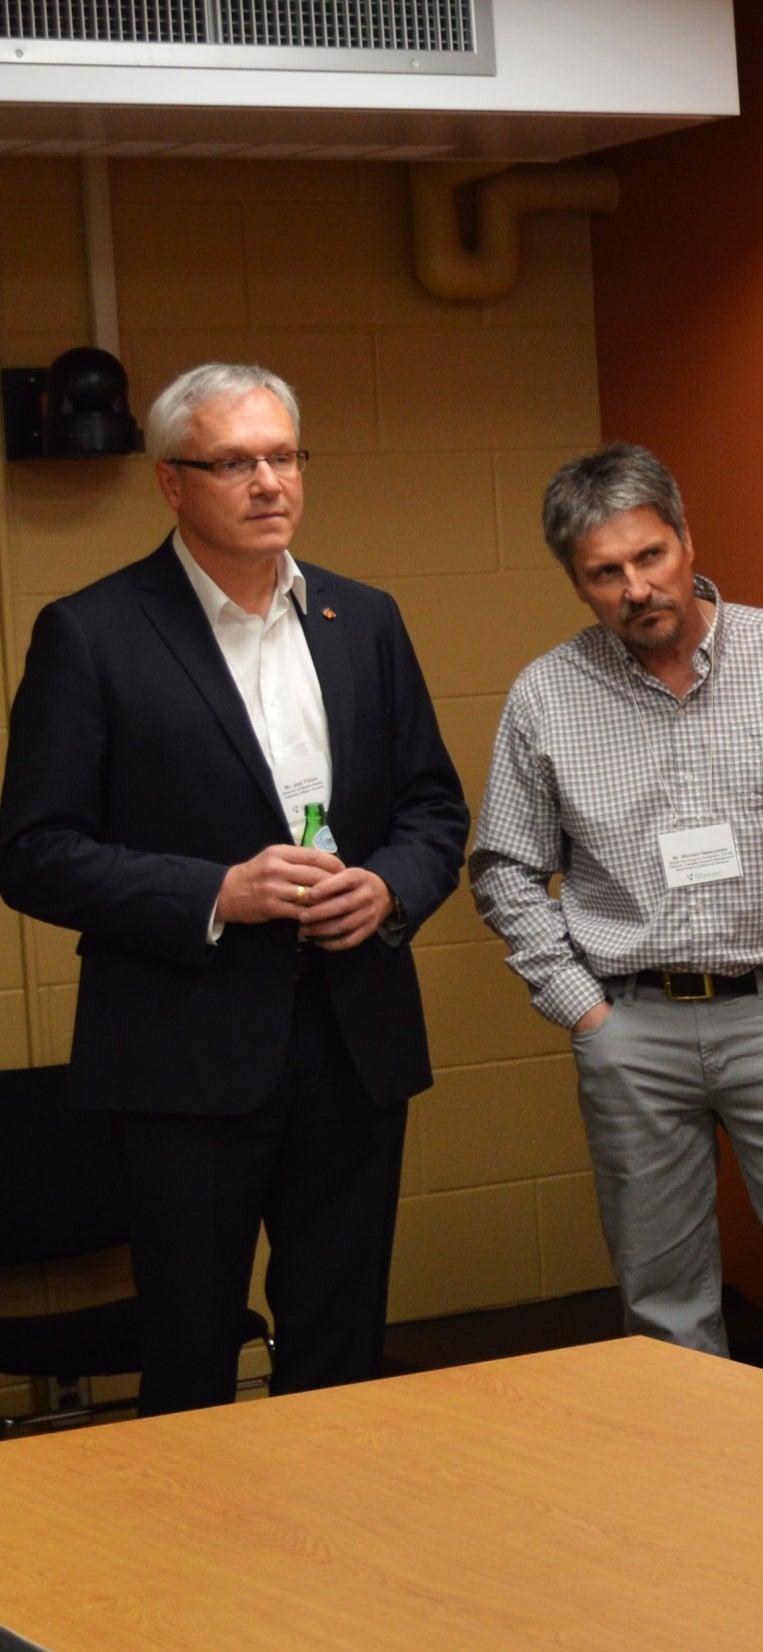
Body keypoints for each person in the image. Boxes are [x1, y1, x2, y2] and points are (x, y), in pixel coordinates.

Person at [0, 361, 467, 1412]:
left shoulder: (366, 618)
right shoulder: (94, 632)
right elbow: (32, 849)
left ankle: (332, 1561)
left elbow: (435, 809)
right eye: (235, 462)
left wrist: (389, 889)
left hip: (354, 1041)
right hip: (184, 1049)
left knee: (342, 1345)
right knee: (191, 1350)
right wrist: (218, 892)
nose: (269, 483)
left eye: (284, 456)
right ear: (172, 482)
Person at [470, 444, 763, 1391]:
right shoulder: (546, 697)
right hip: (634, 1027)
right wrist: (586, 1010)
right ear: (578, 584)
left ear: (685, 539)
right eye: (605, 573)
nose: (636, 588)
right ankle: (692, 1514)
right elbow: (506, 868)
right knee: (662, 1307)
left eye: (650, 557)